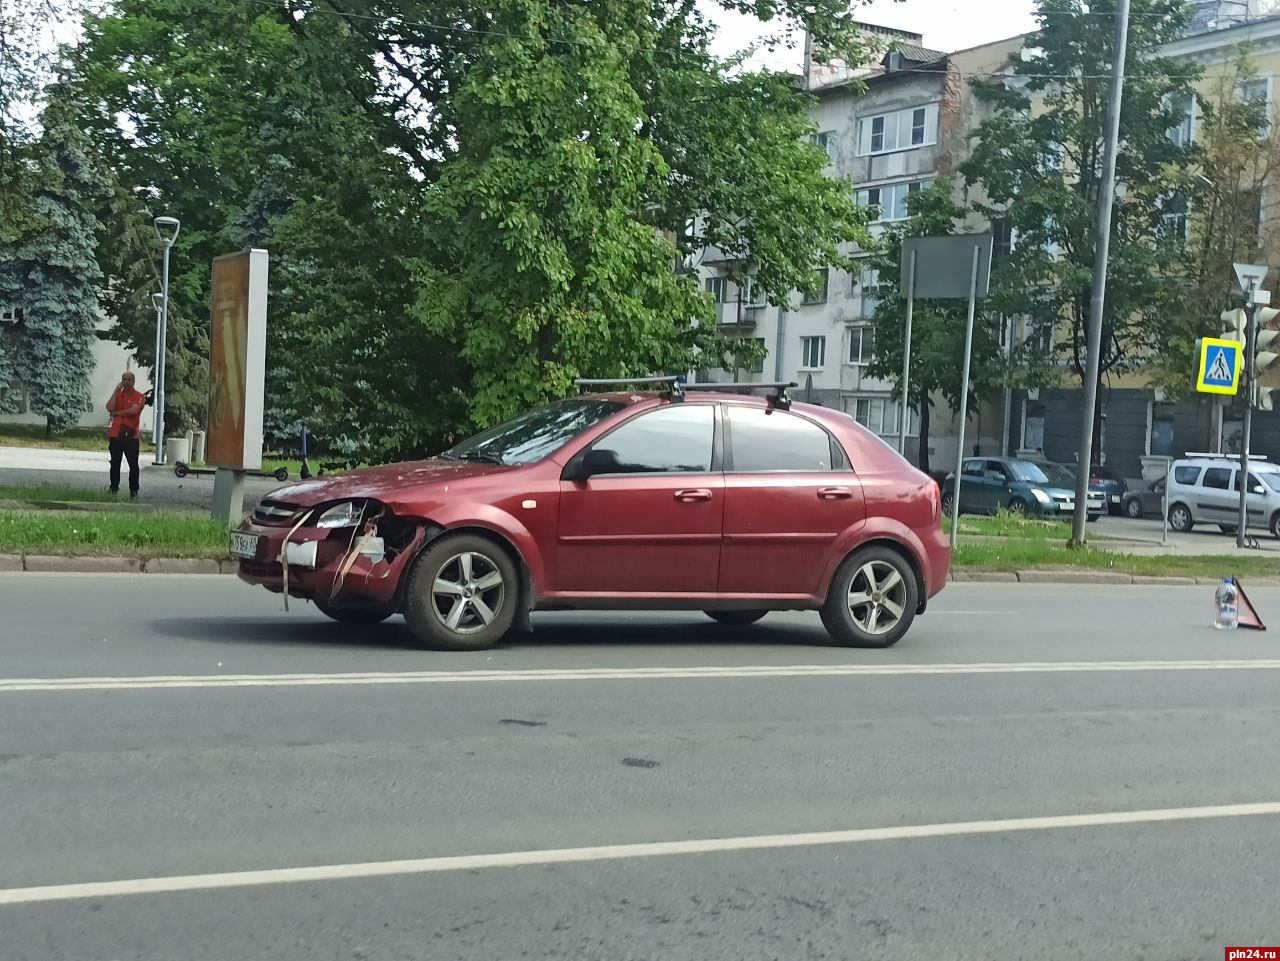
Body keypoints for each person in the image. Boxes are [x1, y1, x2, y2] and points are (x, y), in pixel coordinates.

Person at [105, 372, 146, 498]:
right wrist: (115, 391)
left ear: (133, 381)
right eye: (123, 379)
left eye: (128, 379)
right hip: (116, 434)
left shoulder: (138, 396)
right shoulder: (119, 395)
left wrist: (117, 414)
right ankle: (113, 488)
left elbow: (134, 411)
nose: (126, 382)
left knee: (133, 464)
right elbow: (109, 407)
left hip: (131, 435)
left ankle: (134, 490)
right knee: (115, 463)